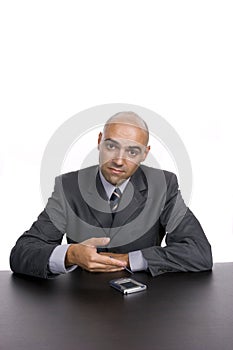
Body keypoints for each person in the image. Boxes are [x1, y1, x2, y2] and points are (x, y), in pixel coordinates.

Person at [10, 111, 213, 278]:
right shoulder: (68, 187)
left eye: (132, 152)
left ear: (145, 154)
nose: (119, 160)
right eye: (111, 146)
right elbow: (22, 252)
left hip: (145, 305)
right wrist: (70, 255)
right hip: (80, 306)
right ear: (99, 141)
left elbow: (199, 252)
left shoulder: (163, 185)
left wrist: (127, 259)